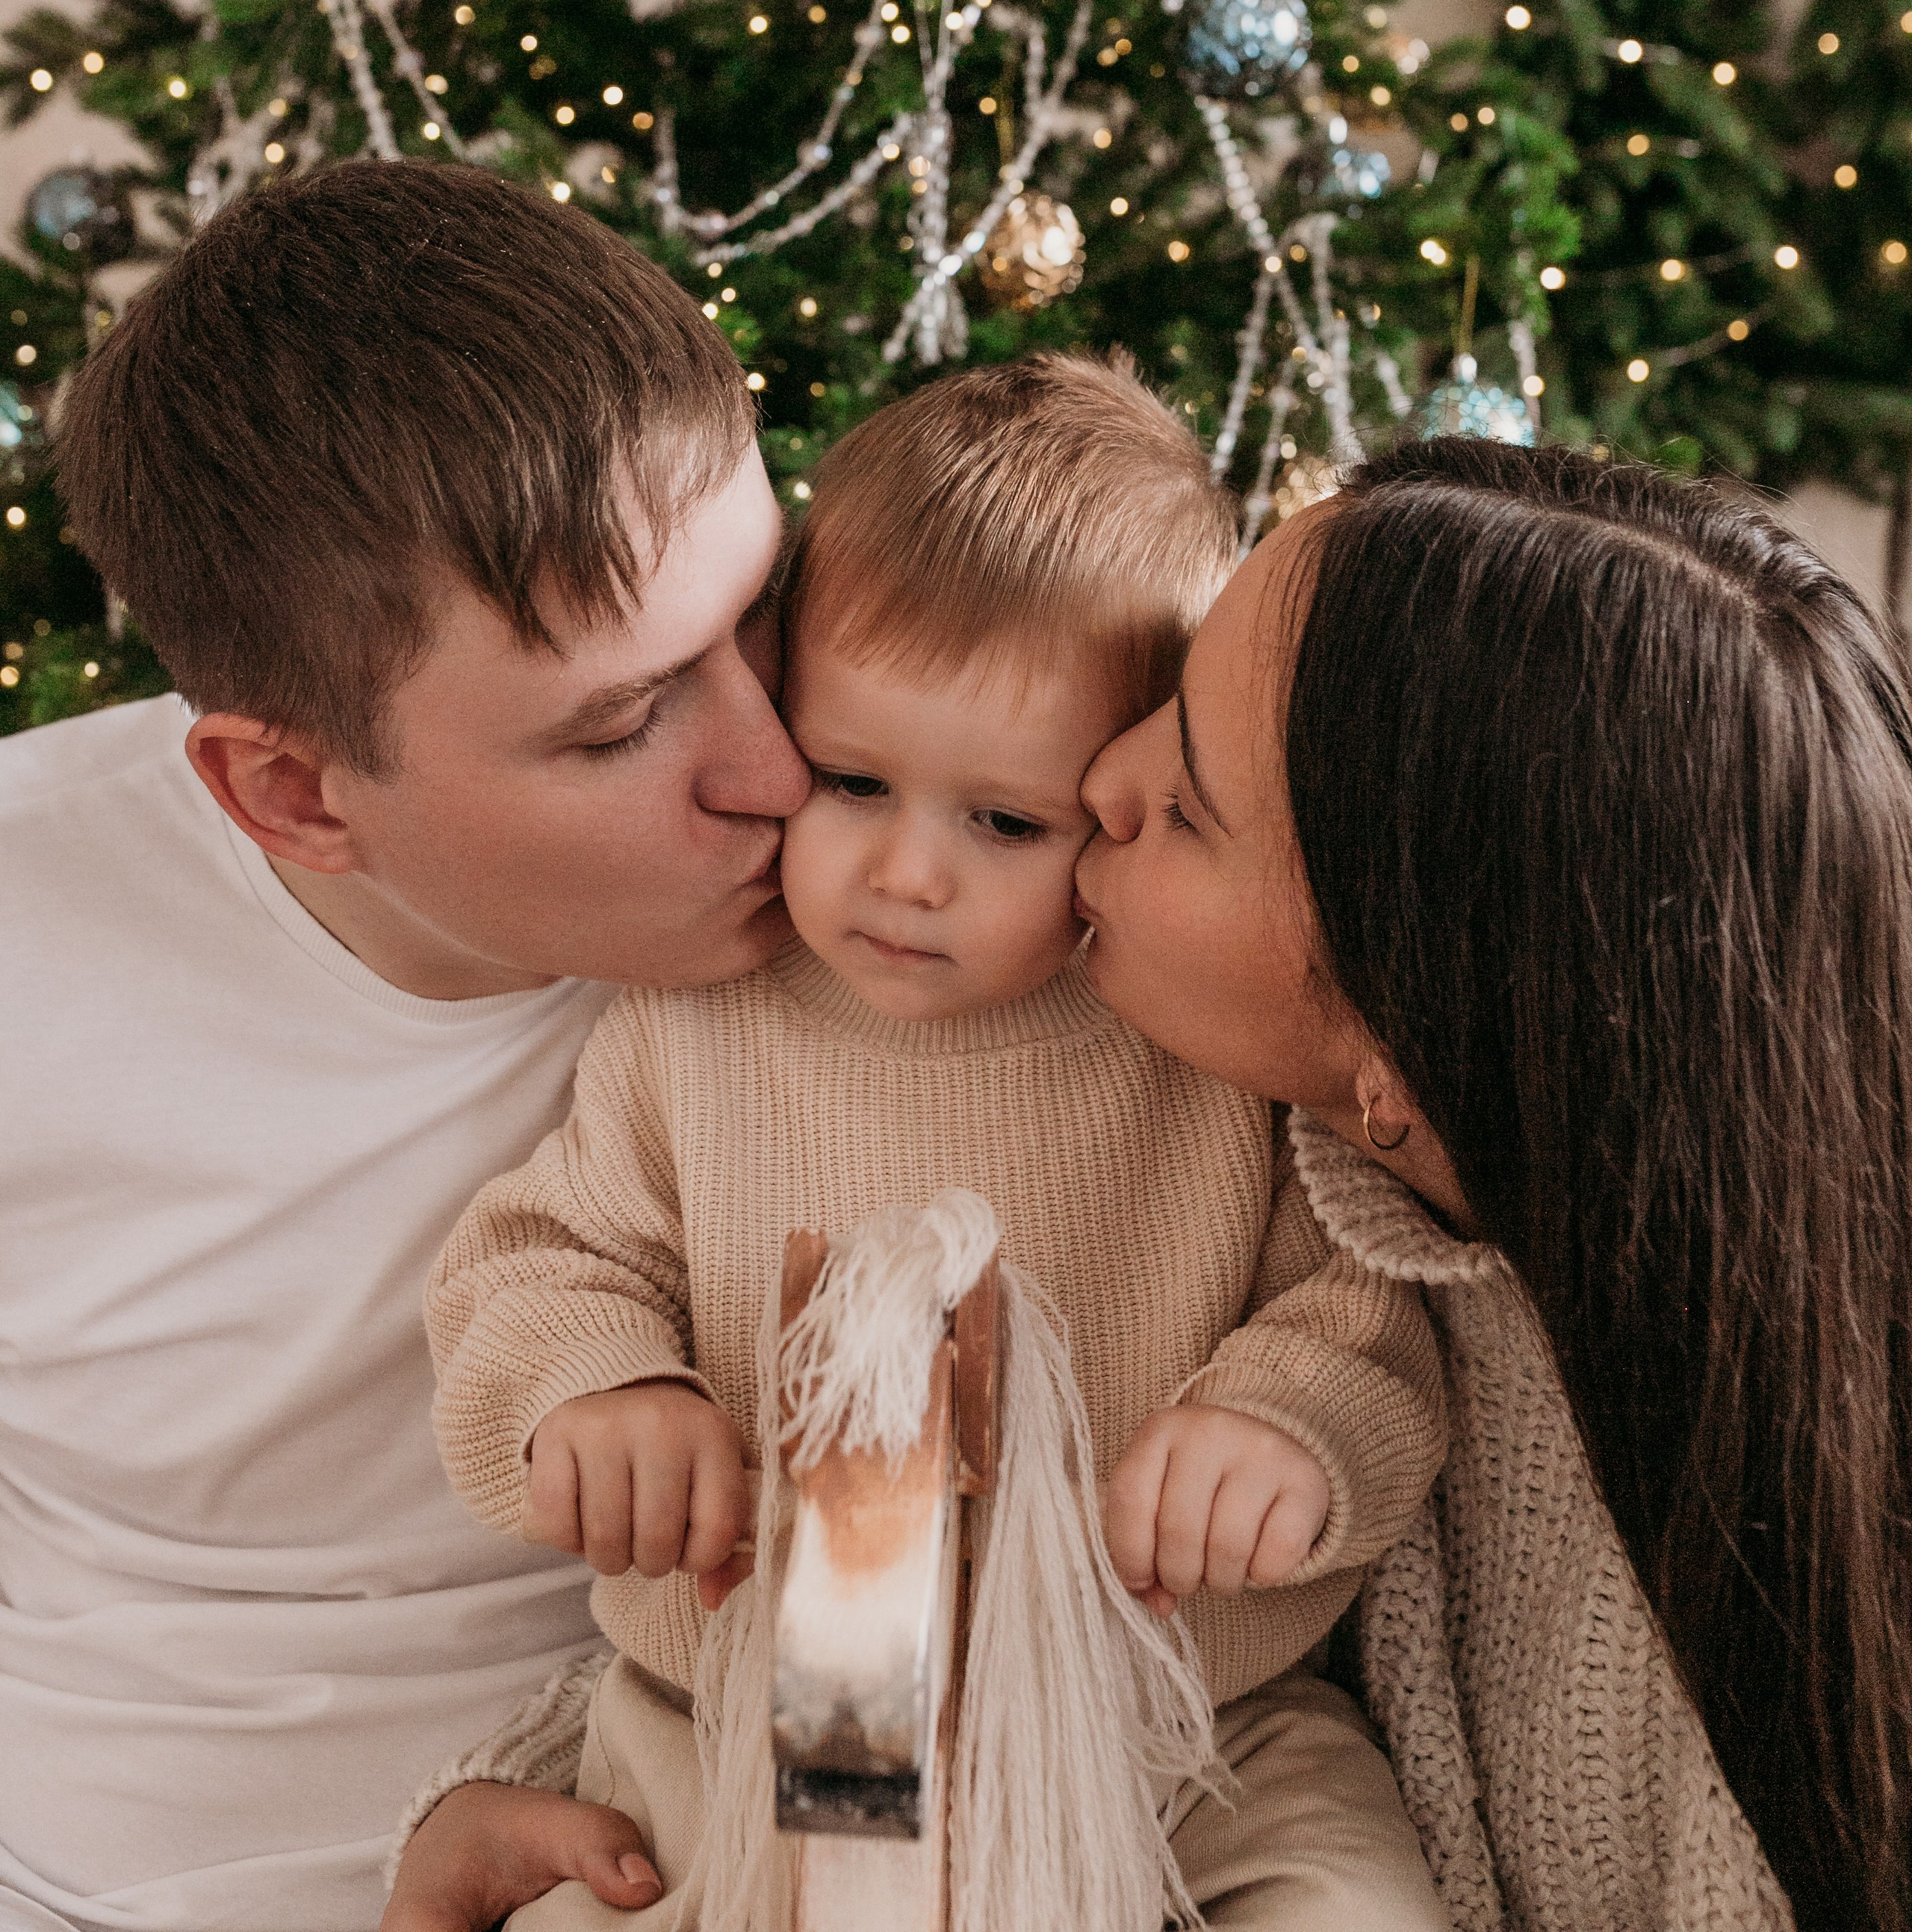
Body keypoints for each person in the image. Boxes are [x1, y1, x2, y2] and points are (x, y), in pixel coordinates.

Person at [420, 359, 1451, 1931]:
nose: (905, 874)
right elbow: (538, 1255)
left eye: (1004, 823)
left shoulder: (1192, 1043)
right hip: (748, 1734)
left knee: (1353, 1904)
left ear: (1126, 796)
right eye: (852, 779)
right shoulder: (701, 1018)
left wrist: (1283, 1436)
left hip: (1180, 1732)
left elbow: (1365, 1310)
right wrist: (597, 1389)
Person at [0, 161, 810, 1932]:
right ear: (291, 791)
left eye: (763, 613)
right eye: (620, 725)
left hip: (681, 1827)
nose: (780, 770)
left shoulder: (907, 887)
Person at [1076, 437, 1912, 1932]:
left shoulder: (1746, 1633)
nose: (1097, 779)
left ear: (1404, 1061)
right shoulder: (1261, 1149)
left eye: (1188, 807)